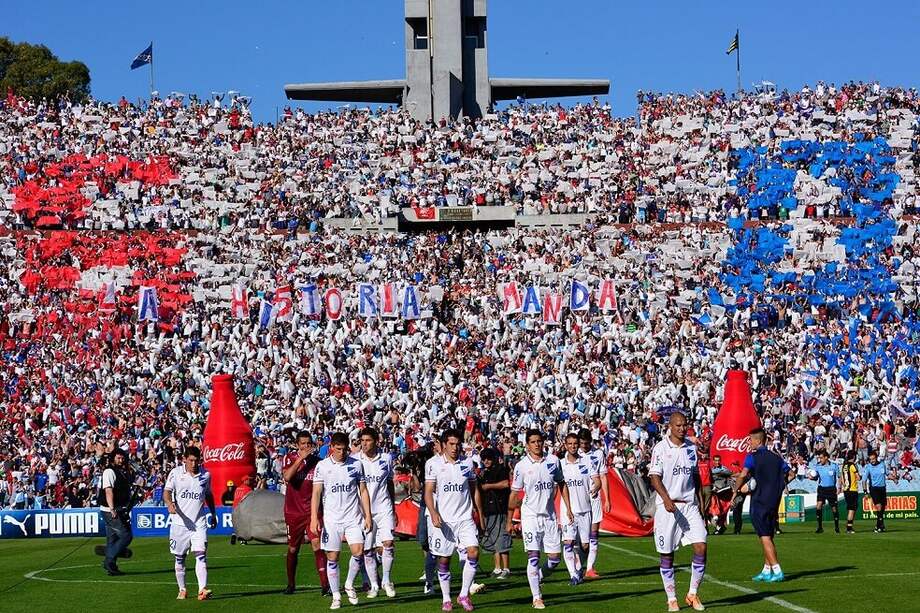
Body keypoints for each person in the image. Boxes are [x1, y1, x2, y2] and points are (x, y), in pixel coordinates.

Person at [507, 428, 573, 610]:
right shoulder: (521, 466)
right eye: (533, 442)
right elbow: (514, 494)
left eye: (539, 441)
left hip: (550, 517)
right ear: (527, 445)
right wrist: (510, 519)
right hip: (530, 517)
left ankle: (537, 577)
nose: (537, 444)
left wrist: (568, 507)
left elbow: (561, 483)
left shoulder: (553, 461)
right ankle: (537, 597)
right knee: (534, 557)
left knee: (554, 559)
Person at [648, 412, 707, 612]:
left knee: (701, 546)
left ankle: (692, 594)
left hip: (689, 505)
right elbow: (654, 477)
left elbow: (696, 478)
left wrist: (701, 502)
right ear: (670, 426)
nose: (682, 429)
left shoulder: (691, 448)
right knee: (667, 555)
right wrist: (665, 499)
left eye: (685, 425)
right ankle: (671, 598)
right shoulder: (661, 448)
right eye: (678, 425)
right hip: (668, 507)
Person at [424, 428, 485, 612]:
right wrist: (433, 512)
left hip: (465, 519)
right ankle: (446, 598)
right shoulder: (433, 464)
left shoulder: (467, 463)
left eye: (458, 444)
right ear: (443, 445)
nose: (455, 447)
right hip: (445, 521)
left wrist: (479, 513)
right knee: (444, 560)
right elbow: (428, 491)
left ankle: (464, 594)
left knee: (473, 552)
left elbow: (474, 490)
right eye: (451, 444)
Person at [311, 432, 373, 610]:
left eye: (345, 449)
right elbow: (316, 493)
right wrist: (314, 518)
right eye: (338, 449)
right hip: (332, 519)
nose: (342, 453)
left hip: (353, 517)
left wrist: (367, 515)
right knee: (333, 557)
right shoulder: (322, 466)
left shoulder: (356, 464)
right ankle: (336, 595)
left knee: (358, 551)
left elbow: (363, 491)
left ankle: (348, 584)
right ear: (331, 448)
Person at [732, 427, 794, 583]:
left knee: (764, 536)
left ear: (758, 440)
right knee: (768, 533)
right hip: (774, 500)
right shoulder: (777, 457)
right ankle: (767, 570)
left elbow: (743, 474)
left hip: (759, 500)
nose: (749, 443)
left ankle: (777, 570)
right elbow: (791, 474)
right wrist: (778, 486)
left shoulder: (752, 457)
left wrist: (736, 490)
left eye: (751, 440)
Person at [164, 447, 218, 600]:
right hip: (179, 523)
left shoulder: (206, 475)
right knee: (179, 558)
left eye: (196, 460)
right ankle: (182, 589)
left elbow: (208, 495)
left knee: (201, 554)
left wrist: (213, 514)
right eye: (191, 460)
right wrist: (169, 503)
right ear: (184, 459)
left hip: (198, 523)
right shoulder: (175, 473)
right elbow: (167, 492)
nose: (194, 464)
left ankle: (202, 589)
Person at [281, 431, 328, 595]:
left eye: (309, 443)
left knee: (317, 545)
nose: (307, 447)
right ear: (297, 445)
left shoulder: (319, 463)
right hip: (293, 512)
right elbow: (287, 477)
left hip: (313, 512)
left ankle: (325, 585)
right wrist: (301, 459)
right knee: (293, 548)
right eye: (303, 444)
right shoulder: (289, 458)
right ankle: (291, 584)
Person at [354, 427, 398, 598]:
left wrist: (393, 508)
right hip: (364, 511)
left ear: (376, 441)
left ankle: (386, 580)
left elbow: (390, 484)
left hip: (384, 508)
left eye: (368, 440)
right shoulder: (355, 460)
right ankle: (373, 585)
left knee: (388, 543)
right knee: (368, 550)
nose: (364, 444)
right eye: (362, 440)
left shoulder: (386, 459)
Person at [560, 432, 600, 585]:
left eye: (575, 444)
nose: (572, 446)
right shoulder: (560, 464)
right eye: (569, 444)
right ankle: (573, 575)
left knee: (585, 545)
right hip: (568, 511)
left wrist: (596, 487)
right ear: (565, 445)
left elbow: (597, 481)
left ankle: (580, 569)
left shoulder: (588, 462)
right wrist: (567, 509)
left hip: (585, 510)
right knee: (568, 542)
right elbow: (558, 486)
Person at [578, 429, 610, 578]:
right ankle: (577, 567)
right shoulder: (574, 454)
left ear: (591, 441)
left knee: (593, 533)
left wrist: (607, 499)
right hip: (578, 498)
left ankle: (590, 568)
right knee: (580, 537)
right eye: (581, 443)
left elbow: (603, 477)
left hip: (595, 498)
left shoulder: (598, 454)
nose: (584, 446)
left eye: (586, 443)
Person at [97, 448, 135, 576]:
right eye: (118, 458)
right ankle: (109, 558)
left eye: (122, 458)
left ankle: (111, 565)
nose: (121, 460)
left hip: (117, 508)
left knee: (112, 539)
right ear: (113, 458)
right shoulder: (109, 471)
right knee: (126, 536)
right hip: (110, 510)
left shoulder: (121, 472)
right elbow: (109, 490)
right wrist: (112, 508)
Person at [478, 448, 511, 579]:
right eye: (484, 459)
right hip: (488, 509)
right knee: (492, 540)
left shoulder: (501, 470)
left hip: (500, 508)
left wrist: (488, 486)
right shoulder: (483, 473)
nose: (486, 461)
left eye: (489, 458)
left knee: (502, 538)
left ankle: (506, 568)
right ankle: (497, 568)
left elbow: (505, 484)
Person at [812, 450, 841, 533]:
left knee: (834, 508)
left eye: (821, 458)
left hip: (831, 489)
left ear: (826, 457)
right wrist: (812, 477)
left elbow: (839, 477)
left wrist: (839, 487)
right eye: (819, 458)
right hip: (821, 489)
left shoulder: (834, 466)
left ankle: (836, 527)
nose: (820, 460)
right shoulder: (818, 466)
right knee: (818, 506)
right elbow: (816, 477)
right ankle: (820, 527)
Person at [862, 449, 887, 533]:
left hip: (882, 488)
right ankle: (878, 526)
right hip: (874, 488)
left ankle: (881, 525)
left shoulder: (882, 465)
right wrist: (865, 491)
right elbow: (864, 480)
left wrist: (894, 478)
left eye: (873, 459)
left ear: (876, 458)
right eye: (870, 459)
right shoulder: (868, 467)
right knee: (879, 507)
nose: (872, 461)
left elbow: (887, 474)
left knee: (882, 509)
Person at [709, 455, 734, 535]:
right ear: (713, 461)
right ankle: (719, 527)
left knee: (723, 512)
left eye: (718, 460)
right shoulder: (711, 470)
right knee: (712, 511)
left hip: (724, 494)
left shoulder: (724, 469)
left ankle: (719, 528)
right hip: (715, 493)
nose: (717, 462)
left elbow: (730, 475)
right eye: (715, 460)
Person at [841, 451, 860, 534]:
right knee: (852, 509)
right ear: (853, 457)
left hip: (846, 490)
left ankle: (849, 526)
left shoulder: (844, 466)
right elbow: (858, 477)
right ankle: (849, 528)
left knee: (850, 509)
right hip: (852, 490)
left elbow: (842, 478)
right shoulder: (852, 466)